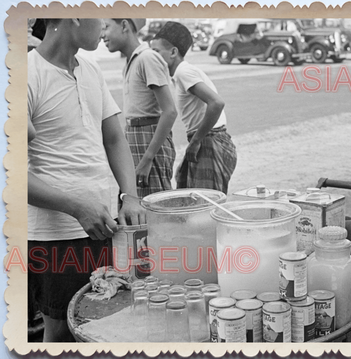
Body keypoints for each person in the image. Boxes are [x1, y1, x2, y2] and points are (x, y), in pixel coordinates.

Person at [28, 18, 145, 342]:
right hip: (56, 237)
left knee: (104, 320)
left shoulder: (90, 70)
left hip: (102, 226)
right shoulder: (24, 73)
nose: (104, 27)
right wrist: (77, 207)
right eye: (101, 18)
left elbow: (114, 139)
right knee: (63, 329)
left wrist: (130, 196)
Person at [150, 21, 237, 194]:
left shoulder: (184, 72)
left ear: (173, 52)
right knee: (189, 194)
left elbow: (216, 103)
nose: (152, 58)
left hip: (209, 140)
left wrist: (196, 141)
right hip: (208, 139)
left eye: (156, 52)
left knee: (204, 204)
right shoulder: (183, 73)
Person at [101, 18, 178, 198]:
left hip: (149, 139)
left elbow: (170, 111)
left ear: (125, 25)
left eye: (106, 27)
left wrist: (148, 158)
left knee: (153, 206)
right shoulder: (131, 61)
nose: (102, 34)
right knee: (134, 202)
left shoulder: (147, 58)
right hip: (135, 137)